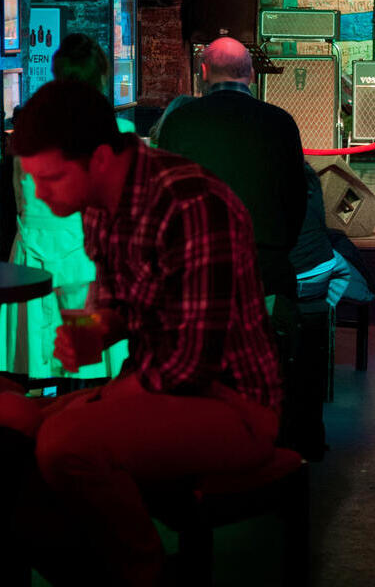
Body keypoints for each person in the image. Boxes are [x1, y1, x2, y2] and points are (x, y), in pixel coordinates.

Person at [0, 79, 282, 586]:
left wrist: (99, 399)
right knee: (14, 424)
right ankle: (91, 568)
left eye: (52, 178)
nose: (40, 194)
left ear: (102, 158)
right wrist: (92, 330)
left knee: (64, 442)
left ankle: (142, 573)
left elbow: (189, 366)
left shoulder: (191, 204)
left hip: (233, 405)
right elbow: (120, 305)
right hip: (158, 384)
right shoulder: (99, 205)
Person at [0, 33, 134, 381]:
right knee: (86, 372)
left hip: (32, 262)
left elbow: (20, 198)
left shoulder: (27, 135)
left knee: (32, 372)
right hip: (85, 266)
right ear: (100, 78)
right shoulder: (119, 133)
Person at [157, 37, 307, 299]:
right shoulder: (280, 122)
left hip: (198, 266)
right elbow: (296, 197)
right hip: (264, 267)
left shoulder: (179, 122)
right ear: (250, 73)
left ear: (203, 72)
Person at [291, 162, 375, 307]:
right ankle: (363, 293)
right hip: (315, 275)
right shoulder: (306, 174)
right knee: (338, 247)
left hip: (277, 278)